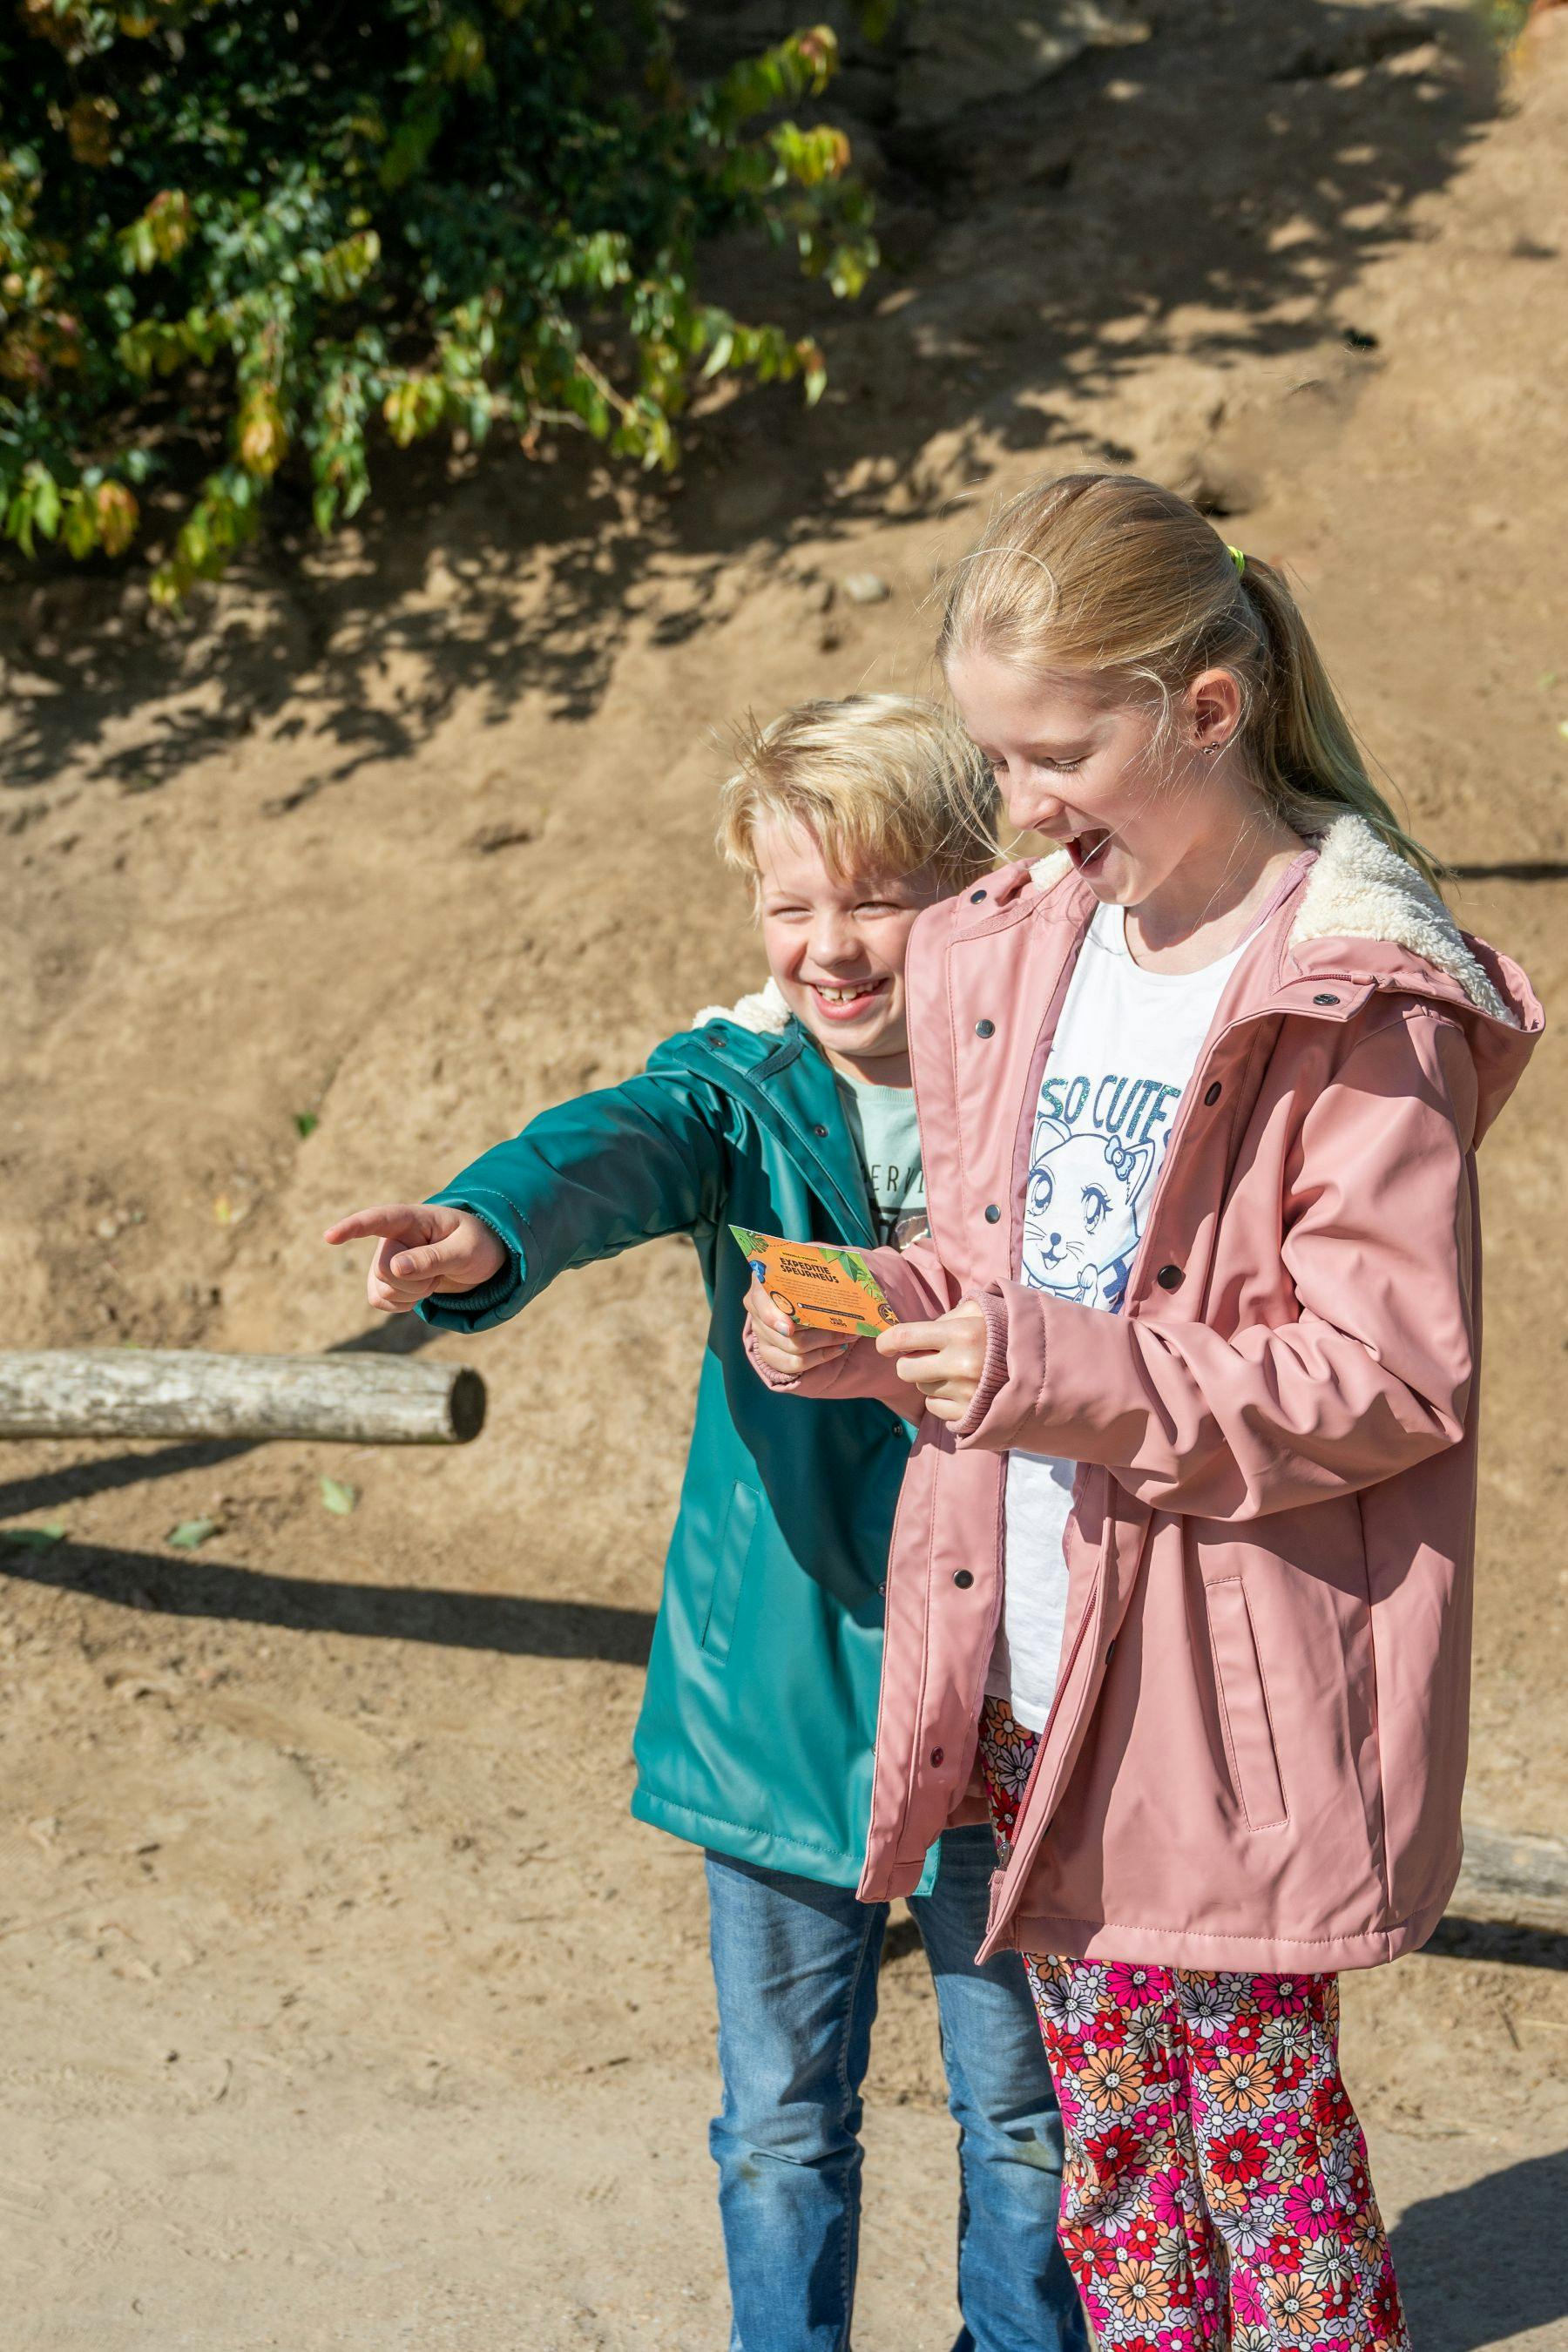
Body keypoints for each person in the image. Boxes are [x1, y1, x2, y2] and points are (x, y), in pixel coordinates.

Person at [746, 476, 1542, 2352]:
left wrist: (1030, 1364)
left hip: (1233, 1676)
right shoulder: (1019, 942)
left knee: (1263, 2157)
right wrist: (883, 1320)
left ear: (1206, 706)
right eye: (995, 754)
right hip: (1031, 1652)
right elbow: (1009, 1260)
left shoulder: (1355, 989)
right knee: (1112, 2153)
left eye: (1054, 753)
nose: (1015, 808)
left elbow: (1383, 1377)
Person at [325, 694, 1085, 2352]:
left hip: (1016, 1679)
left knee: (1029, 2121)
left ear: (984, 884)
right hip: (785, 1680)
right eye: (791, 904)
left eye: (874, 898)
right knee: (779, 2123)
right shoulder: (739, 1087)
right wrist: (485, 1219)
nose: (830, 947)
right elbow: (625, 1141)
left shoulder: (1066, 1090)